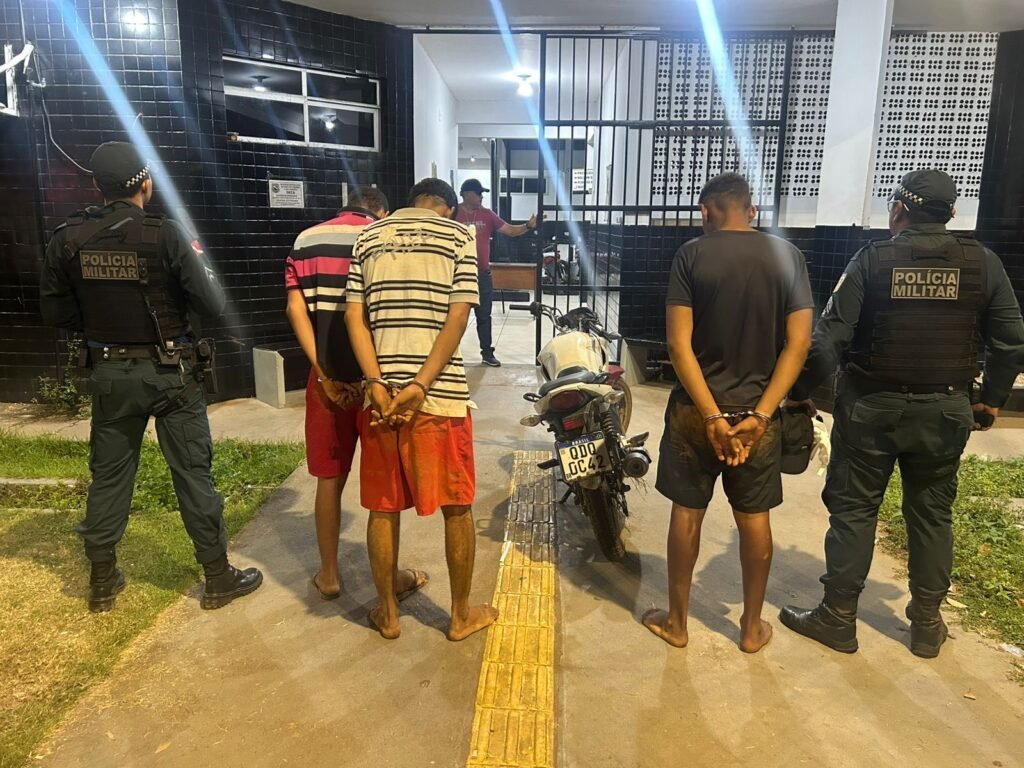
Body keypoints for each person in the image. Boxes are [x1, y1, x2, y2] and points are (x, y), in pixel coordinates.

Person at [780, 169, 1024, 658]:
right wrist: (991, 399)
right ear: (951, 213)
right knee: (932, 513)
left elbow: (827, 341)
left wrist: (800, 393)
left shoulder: (872, 260)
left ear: (897, 210)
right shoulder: (983, 263)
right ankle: (928, 624)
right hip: (946, 410)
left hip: (871, 409)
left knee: (854, 509)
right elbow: (1011, 340)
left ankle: (838, 617)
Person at [38, 141, 261, 612]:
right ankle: (217, 577)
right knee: (193, 475)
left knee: (109, 476)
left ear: (97, 187)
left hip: (110, 375)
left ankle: (102, 580)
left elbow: (56, 314)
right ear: (145, 184)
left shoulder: (67, 239)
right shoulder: (166, 234)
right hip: (171, 375)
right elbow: (212, 303)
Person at [644, 172, 814, 653]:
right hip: (758, 417)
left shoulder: (691, 255)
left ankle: (677, 623)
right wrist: (760, 416)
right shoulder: (789, 256)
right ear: (751, 210)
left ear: (705, 211)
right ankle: (751, 627)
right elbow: (799, 344)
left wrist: (712, 416)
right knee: (754, 518)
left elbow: (678, 345)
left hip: (695, 415)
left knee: (687, 512)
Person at [345, 178, 499, 641]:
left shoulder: (369, 236)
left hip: (380, 401)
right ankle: (460, 616)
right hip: (440, 398)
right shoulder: (458, 236)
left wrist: (376, 382)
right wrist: (420, 384)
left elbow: (355, 316)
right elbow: (459, 316)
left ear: (411, 202)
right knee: (457, 506)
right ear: (448, 208)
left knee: (382, 507)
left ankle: (388, 614)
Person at [285, 186, 425, 603]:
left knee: (329, 478)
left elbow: (295, 310)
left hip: (326, 382)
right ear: (380, 210)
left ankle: (329, 575)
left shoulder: (306, 240)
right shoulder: (383, 239)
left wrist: (324, 373)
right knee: (384, 484)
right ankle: (390, 577)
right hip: (379, 382)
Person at [456, 178, 537, 367]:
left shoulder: (487, 214)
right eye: (479, 194)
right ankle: (450, 353)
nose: (481, 197)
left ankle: (487, 353)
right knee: (456, 316)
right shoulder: (453, 214)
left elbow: (509, 230)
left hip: (482, 274)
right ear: (467, 194)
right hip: (457, 275)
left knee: (484, 316)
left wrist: (527, 226)